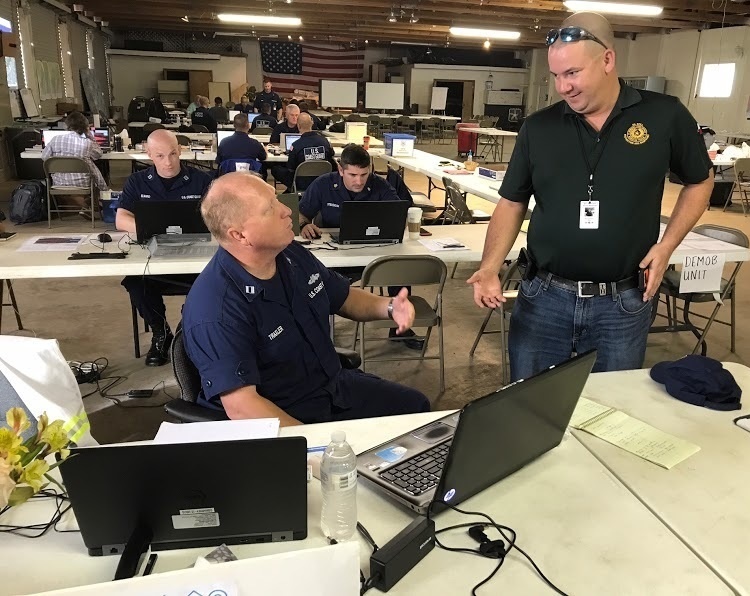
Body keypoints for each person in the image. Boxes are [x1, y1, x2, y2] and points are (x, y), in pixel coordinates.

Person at [467, 12, 713, 380]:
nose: (563, 87)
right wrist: (489, 267)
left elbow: (701, 181)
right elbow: (512, 201)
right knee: (530, 404)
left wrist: (666, 247)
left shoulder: (664, 115)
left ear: (608, 60)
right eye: (556, 76)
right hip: (543, 298)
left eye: (573, 73)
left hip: (624, 302)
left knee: (610, 412)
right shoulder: (539, 127)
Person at [181, 172, 430, 425]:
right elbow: (242, 407)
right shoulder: (215, 308)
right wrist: (315, 445)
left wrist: (388, 307)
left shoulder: (291, 255)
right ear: (239, 235)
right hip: (282, 410)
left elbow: (343, 298)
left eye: (278, 200)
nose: (287, 211)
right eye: (270, 209)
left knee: (416, 409)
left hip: (331, 387)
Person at [299, 144, 424, 350]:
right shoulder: (323, 185)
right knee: (317, 282)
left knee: (399, 271)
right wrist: (305, 225)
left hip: (373, 251)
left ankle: (399, 328)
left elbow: (398, 214)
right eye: (352, 175)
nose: (358, 181)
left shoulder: (380, 185)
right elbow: (301, 213)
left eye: (364, 174)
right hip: (336, 257)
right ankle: (321, 333)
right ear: (340, 170)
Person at [115, 130, 213, 366]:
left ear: (180, 150)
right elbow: (121, 219)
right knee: (136, 283)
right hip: (154, 254)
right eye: (160, 156)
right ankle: (161, 333)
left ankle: (187, 335)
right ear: (148, 154)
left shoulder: (202, 180)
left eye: (172, 154)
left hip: (195, 257)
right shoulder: (137, 181)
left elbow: (219, 215)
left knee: (213, 282)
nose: (168, 162)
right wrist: (150, 229)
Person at [41, 112, 108, 213]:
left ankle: (84, 206)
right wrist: (90, 136)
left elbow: (45, 157)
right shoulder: (87, 143)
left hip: (59, 183)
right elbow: (97, 155)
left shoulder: (55, 140)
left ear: (67, 126)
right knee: (95, 175)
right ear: (86, 126)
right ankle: (92, 205)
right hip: (82, 183)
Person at [272, 113, 335, 189]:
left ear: (298, 126)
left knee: (275, 169)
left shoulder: (296, 145)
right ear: (312, 123)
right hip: (322, 181)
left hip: (301, 182)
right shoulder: (325, 142)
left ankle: (291, 191)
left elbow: (291, 168)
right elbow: (331, 156)